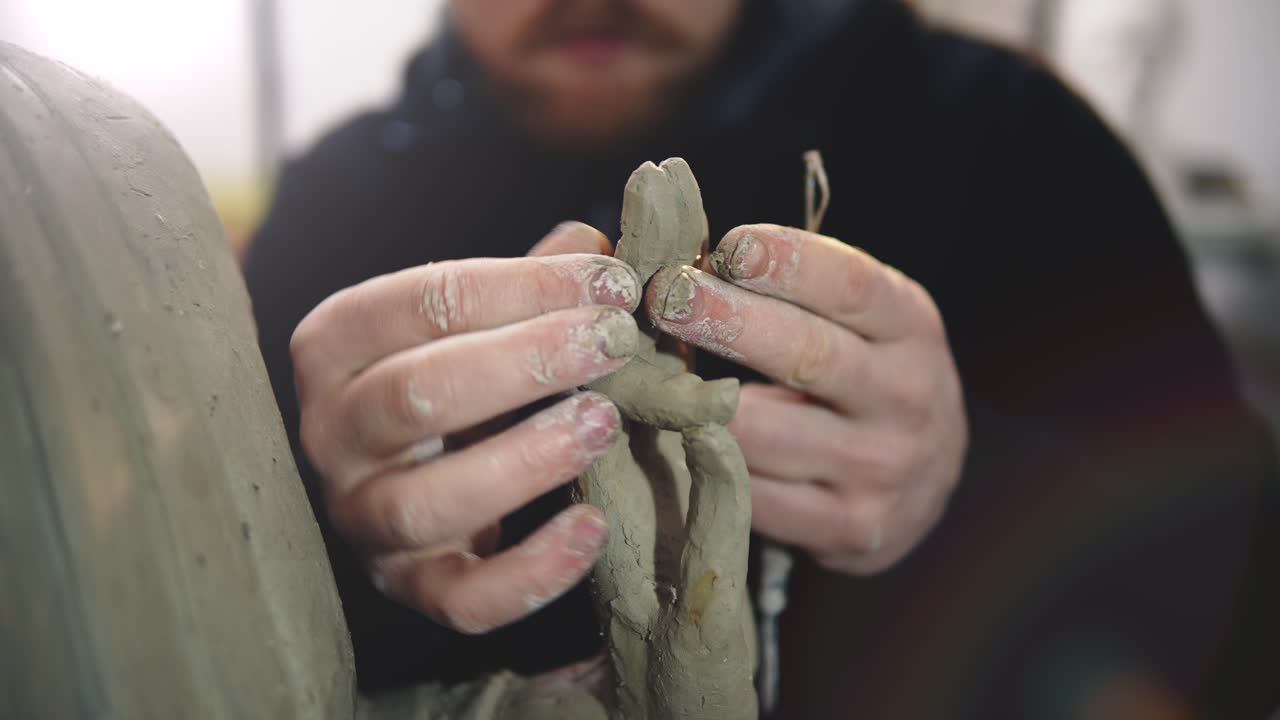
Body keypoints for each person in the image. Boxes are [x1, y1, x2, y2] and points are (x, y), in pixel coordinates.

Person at [242, 0, 1279, 716]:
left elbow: (1238, 596)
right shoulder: (335, 201)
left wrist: (965, 486)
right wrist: (320, 522)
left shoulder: (1009, 138)